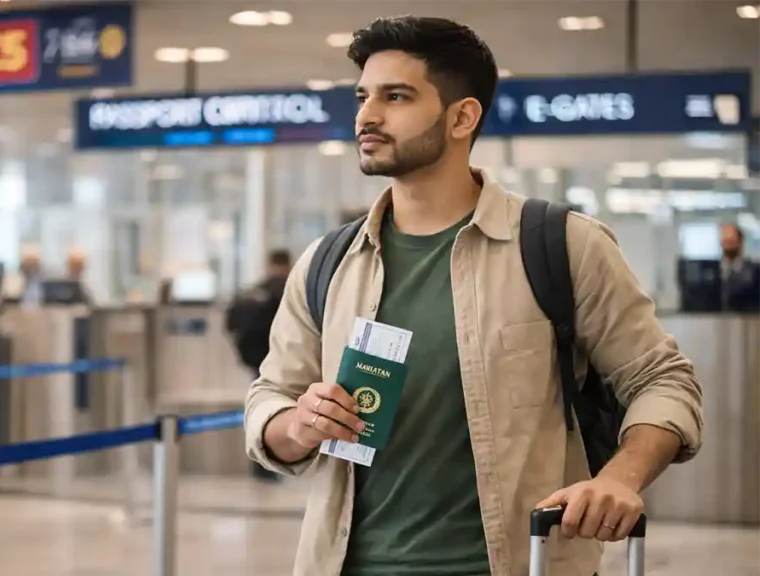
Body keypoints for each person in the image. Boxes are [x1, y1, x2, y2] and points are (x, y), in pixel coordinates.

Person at [244, 16, 704, 576]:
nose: (366, 115)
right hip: (346, 563)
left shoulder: (561, 246)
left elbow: (661, 379)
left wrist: (618, 479)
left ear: (462, 116)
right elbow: (270, 396)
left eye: (396, 96)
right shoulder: (328, 263)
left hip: (518, 561)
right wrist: (298, 425)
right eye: (363, 96)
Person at [225, 249, 293, 482]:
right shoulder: (288, 288)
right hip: (280, 358)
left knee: (261, 405)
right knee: (280, 407)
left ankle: (260, 465)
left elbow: (231, 321)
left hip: (255, 359)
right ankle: (271, 467)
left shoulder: (254, 290)